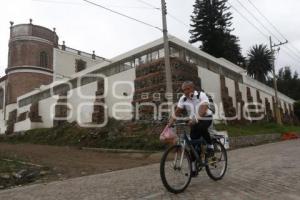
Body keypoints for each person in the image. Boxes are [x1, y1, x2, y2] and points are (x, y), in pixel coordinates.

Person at [168, 81, 214, 176]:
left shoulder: (201, 95)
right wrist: (171, 121)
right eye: (184, 89)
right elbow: (177, 111)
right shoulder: (183, 99)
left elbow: (204, 107)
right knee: (192, 145)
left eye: (188, 89)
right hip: (193, 121)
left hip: (206, 117)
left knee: (202, 128)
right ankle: (193, 169)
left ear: (193, 88)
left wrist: (196, 118)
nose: (185, 91)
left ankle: (210, 146)